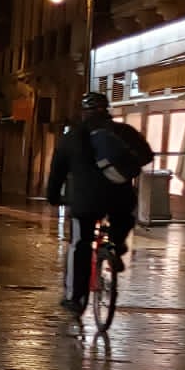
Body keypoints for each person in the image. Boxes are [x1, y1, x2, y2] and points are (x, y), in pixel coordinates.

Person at [47, 92, 155, 313]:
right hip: (121, 198)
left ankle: (75, 299)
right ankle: (115, 247)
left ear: (84, 112)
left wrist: (53, 197)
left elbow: (57, 172)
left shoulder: (73, 137)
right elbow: (147, 156)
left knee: (80, 245)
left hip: (86, 201)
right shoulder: (124, 131)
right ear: (107, 110)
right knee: (123, 220)